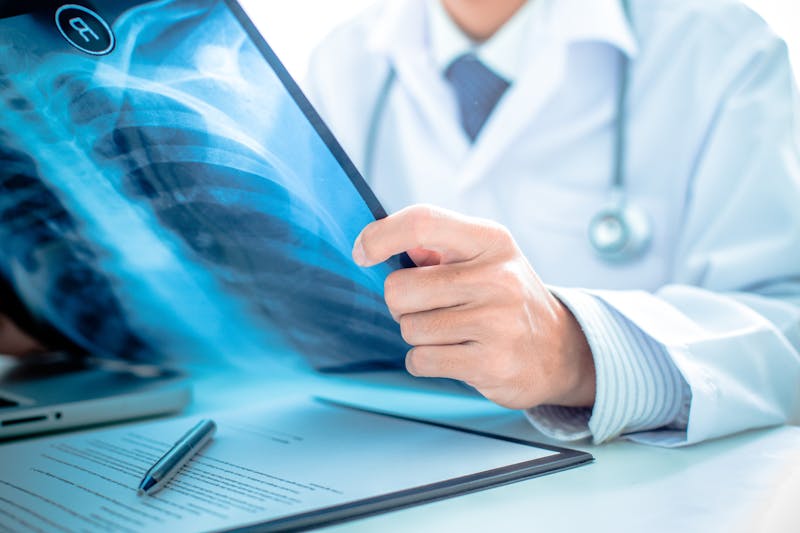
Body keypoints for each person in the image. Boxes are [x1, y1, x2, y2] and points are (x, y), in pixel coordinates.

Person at [303, 0, 800, 446]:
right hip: (387, 447)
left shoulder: (724, 50)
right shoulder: (342, 60)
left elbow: (786, 339)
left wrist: (577, 354)